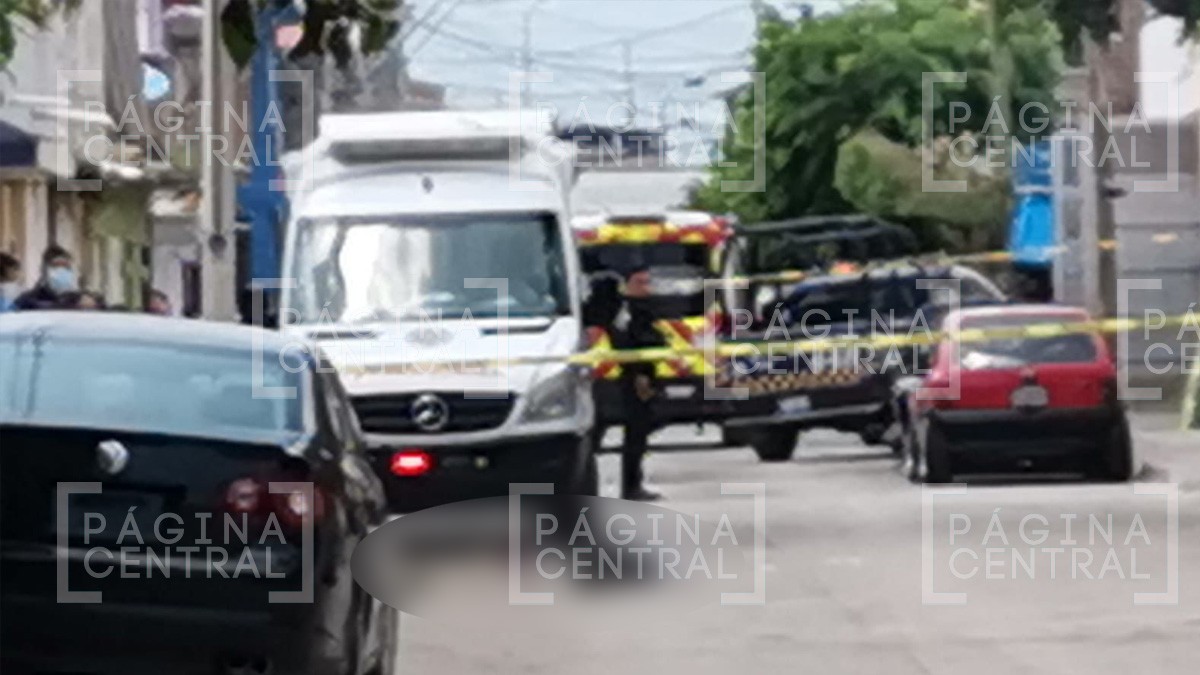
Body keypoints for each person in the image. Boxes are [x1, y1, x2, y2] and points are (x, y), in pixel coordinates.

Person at [606, 266, 664, 501]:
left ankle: (634, 484)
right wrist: (638, 374)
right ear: (628, 285)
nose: (646, 288)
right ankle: (631, 487)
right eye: (640, 283)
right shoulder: (627, 311)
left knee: (641, 432)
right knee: (635, 435)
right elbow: (626, 342)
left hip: (645, 373)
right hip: (634, 377)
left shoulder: (643, 308)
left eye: (648, 283)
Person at [13, 245, 79, 310]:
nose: (62, 271)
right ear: (44, 270)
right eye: (56, 265)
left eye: (66, 266)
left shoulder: (77, 300)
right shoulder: (25, 301)